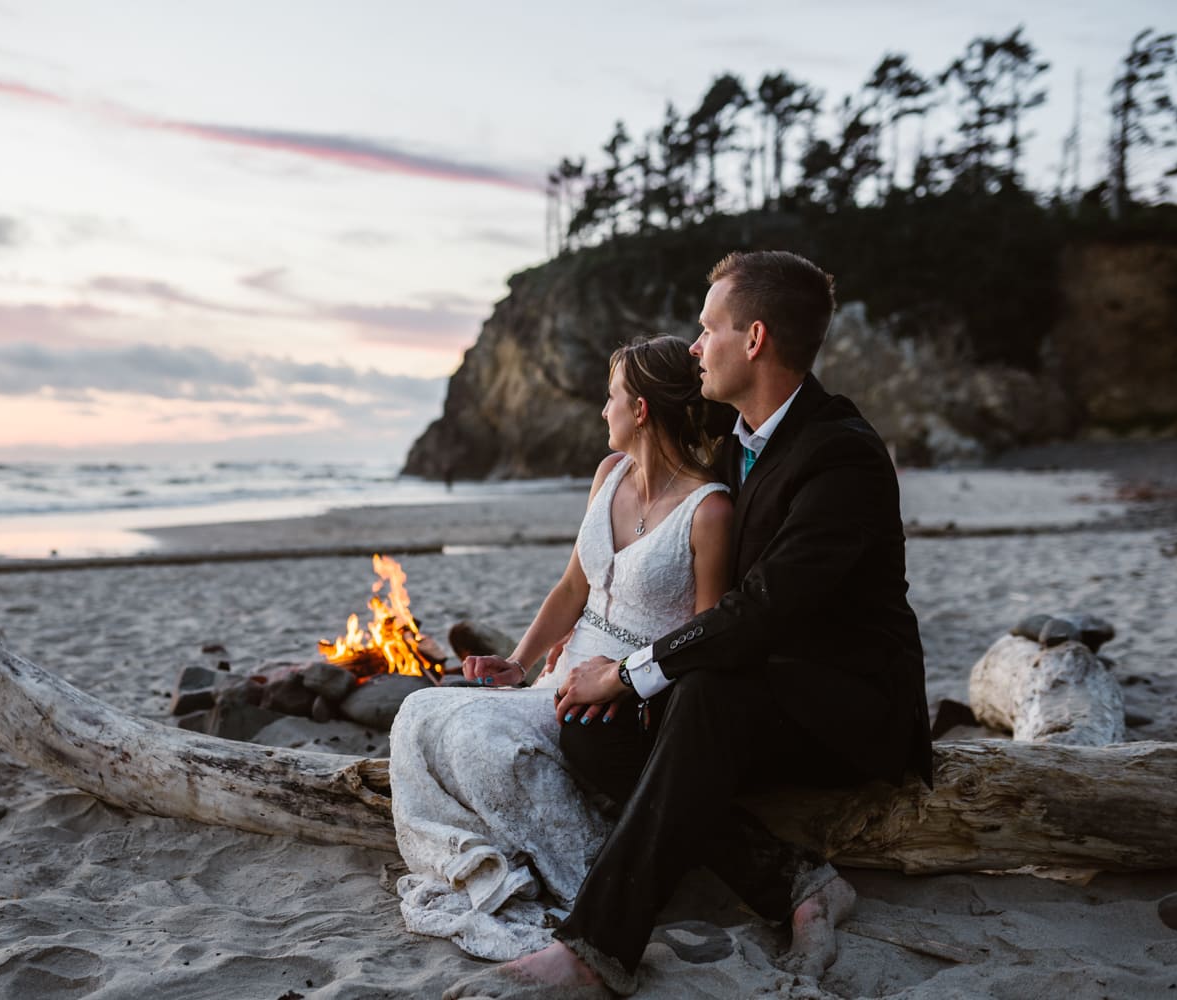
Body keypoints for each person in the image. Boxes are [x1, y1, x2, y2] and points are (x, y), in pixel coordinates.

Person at [444, 251, 933, 999]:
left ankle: (596, 948)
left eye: (709, 329)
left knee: (687, 696)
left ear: (756, 338)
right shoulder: (740, 448)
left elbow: (764, 608)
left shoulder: (842, 458)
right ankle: (798, 880)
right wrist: (612, 681)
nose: (696, 346)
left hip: (847, 706)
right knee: (593, 725)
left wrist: (631, 669)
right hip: (761, 685)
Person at [388, 335, 736, 961]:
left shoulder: (708, 510)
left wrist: (629, 682)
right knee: (416, 712)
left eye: (611, 398)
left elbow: (704, 636)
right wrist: (518, 664)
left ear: (641, 411)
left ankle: (587, 878)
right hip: (560, 678)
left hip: (625, 692)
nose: (602, 410)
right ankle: (475, 864)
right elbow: (574, 586)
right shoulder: (609, 475)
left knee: (476, 740)